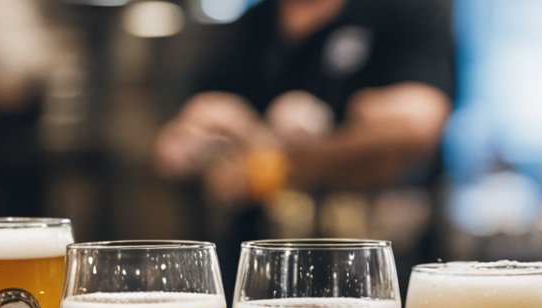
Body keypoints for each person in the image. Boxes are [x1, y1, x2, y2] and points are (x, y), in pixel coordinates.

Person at [153, 0, 454, 246]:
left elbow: (413, 132)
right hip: (261, 261)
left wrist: (268, 156)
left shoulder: (404, 11)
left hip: (382, 255)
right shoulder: (250, 27)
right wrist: (207, 144)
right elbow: (174, 147)